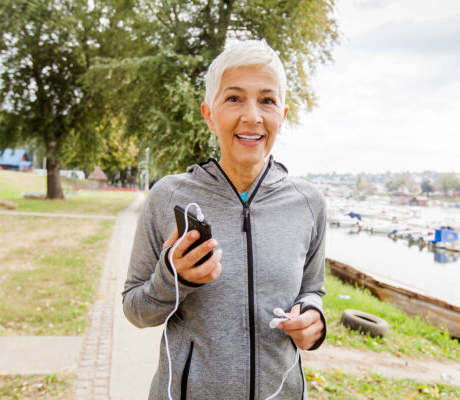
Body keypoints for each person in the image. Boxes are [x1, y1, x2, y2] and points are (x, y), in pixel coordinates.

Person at [123, 39, 327, 400]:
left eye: (267, 100)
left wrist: (314, 318)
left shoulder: (308, 203)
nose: (252, 116)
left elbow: (312, 289)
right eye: (234, 98)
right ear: (209, 114)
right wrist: (175, 278)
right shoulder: (167, 196)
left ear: (283, 113)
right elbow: (136, 311)